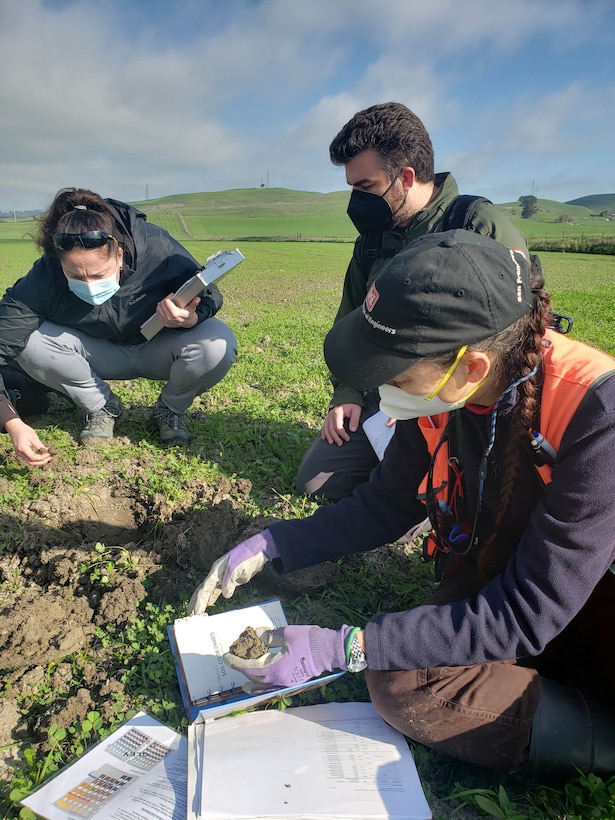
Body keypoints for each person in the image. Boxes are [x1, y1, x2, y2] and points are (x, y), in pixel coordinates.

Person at [189, 230, 615, 778]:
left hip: (589, 606)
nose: (383, 390)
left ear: (472, 367)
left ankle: (597, 736)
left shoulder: (595, 413)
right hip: (510, 579)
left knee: (396, 659)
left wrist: (344, 648)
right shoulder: (437, 395)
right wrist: (277, 542)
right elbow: (387, 504)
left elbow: (527, 611)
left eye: (397, 375)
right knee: (402, 679)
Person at [295, 101, 529, 503]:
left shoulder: (478, 226)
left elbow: (518, 330)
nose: (356, 200)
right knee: (316, 484)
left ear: (405, 177)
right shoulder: (371, 240)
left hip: (453, 394)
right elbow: (352, 317)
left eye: (365, 187)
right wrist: (347, 394)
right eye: (351, 187)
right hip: (386, 386)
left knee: (440, 498)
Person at [0, 187, 237, 466]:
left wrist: (191, 317)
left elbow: (209, 291)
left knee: (219, 340)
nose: (89, 284)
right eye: (75, 275)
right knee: (29, 342)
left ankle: (170, 410)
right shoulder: (44, 276)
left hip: (158, 347)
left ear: (120, 254)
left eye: (99, 274)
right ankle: (101, 407)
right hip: (93, 354)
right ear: (59, 261)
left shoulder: (156, 246)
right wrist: (12, 422)